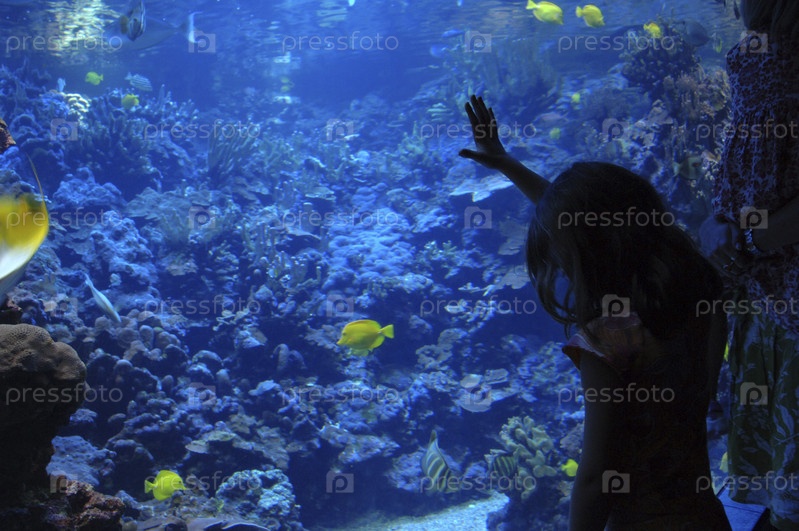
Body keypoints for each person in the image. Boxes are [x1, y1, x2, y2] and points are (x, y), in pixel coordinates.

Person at [461, 96, 731, 530]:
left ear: (581, 256)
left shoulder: (610, 341)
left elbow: (595, 479)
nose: (562, 266)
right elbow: (592, 224)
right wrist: (507, 164)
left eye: (563, 257)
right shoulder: (699, 293)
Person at [699, 1, 799, 529]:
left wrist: (740, 238)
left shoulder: (766, 56)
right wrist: (720, 222)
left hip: (777, 301)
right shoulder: (761, 54)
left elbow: (751, 177)